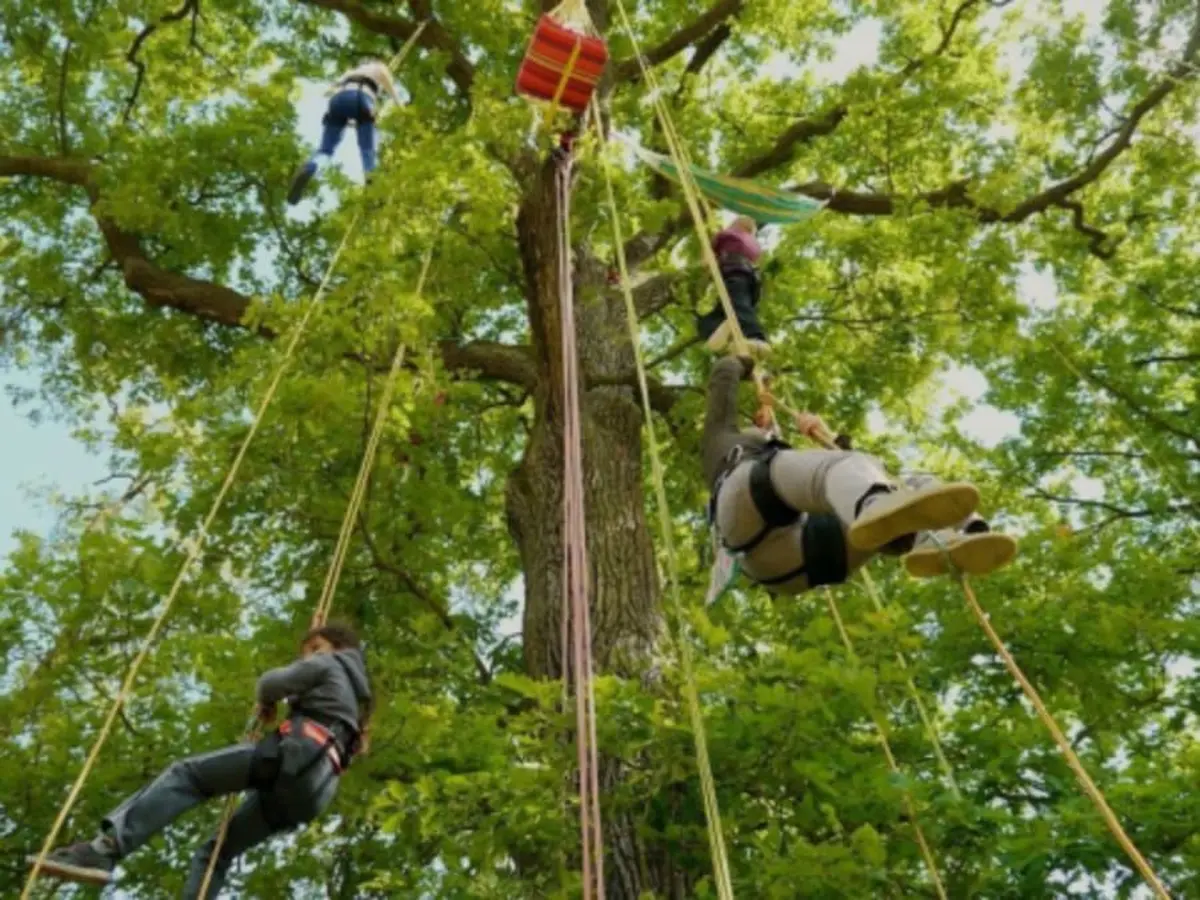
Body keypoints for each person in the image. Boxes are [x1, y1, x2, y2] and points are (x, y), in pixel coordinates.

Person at [29, 621, 373, 898]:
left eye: (314, 648)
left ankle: (104, 850)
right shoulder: (358, 704)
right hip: (315, 790)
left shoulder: (329, 663)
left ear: (339, 647)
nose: (307, 658)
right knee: (216, 853)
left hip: (298, 753)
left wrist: (269, 701)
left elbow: (271, 683)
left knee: (187, 776)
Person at [702, 356, 1015, 593]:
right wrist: (741, 362)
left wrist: (827, 438)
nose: (761, 428)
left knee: (909, 485)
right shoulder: (725, 441)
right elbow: (722, 376)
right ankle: (873, 506)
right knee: (851, 468)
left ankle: (949, 537)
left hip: (797, 564)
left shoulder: (780, 466)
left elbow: (850, 476)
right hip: (742, 506)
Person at [288, 59, 403, 205]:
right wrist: (399, 105)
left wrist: (348, 118)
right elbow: (385, 78)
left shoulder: (350, 72)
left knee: (326, 150)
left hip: (338, 101)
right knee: (367, 149)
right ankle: (372, 183)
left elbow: (329, 91)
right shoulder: (378, 67)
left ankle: (310, 167)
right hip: (361, 98)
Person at [696, 216, 771, 357]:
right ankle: (720, 330)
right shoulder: (753, 246)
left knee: (739, 306)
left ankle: (756, 337)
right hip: (747, 280)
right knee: (722, 312)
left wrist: (709, 245)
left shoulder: (731, 235)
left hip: (736, 274)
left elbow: (707, 259)